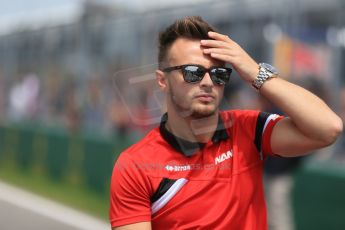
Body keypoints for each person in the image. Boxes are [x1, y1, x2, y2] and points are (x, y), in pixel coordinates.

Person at [109, 16, 343, 230]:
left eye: (219, 73)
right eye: (193, 72)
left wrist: (255, 73)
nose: (208, 82)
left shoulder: (248, 129)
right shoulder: (135, 166)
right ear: (163, 81)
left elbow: (328, 128)